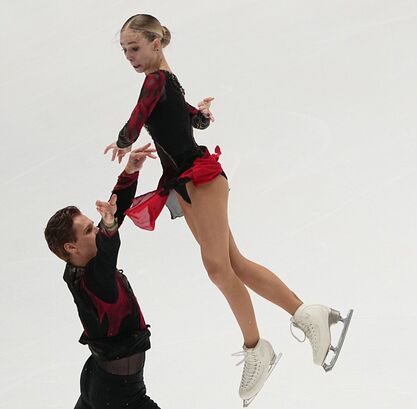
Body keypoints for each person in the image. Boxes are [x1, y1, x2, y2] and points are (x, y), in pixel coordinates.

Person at [104, 14, 353, 406]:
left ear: (156, 44)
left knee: (219, 270)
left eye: (134, 48)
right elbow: (194, 121)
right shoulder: (167, 81)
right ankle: (308, 314)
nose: (129, 57)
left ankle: (257, 348)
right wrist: (201, 113)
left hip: (200, 179)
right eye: (124, 51)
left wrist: (123, 140)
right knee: (233, 264)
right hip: (184, 186)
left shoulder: (156, 81)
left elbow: (139, 116)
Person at [44, 144, 160, 409]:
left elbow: (113, 215)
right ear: (71, 247)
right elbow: (109, 247)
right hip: (119, 395)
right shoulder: (95, 279)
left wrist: (130, 172)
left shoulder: (75, 268)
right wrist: (109, 225)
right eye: (88, 230)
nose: (96, 230)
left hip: (98, 376)